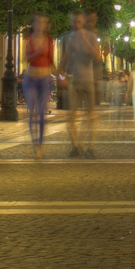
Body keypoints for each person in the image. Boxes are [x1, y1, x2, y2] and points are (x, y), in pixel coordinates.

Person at [60, 11, 103, 157]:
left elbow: (97, 57)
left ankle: (90, 147)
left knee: (91, 115)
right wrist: (62, 78)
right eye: (73, 22)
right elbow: (63, 62)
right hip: (75, 81)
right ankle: (75, 147)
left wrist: (85, 40)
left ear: (83, 22)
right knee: (71, 115)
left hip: (88, 80)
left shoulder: (91, 36)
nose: (76, 25)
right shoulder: (70, 38)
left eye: (78, 22)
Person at [21, 14, 55, 160]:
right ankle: (34, 145)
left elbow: (51, 61)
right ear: (34, 24)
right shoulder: (29, 40)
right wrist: (38, 52)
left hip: (45, 78)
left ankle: (40, 145)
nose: (41, 25)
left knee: (41, 113)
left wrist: (61, 76)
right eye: (39, 22)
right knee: (32, 112)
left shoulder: (49, 40)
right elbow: (27, 59)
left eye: (44, 22)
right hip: (31, 79)